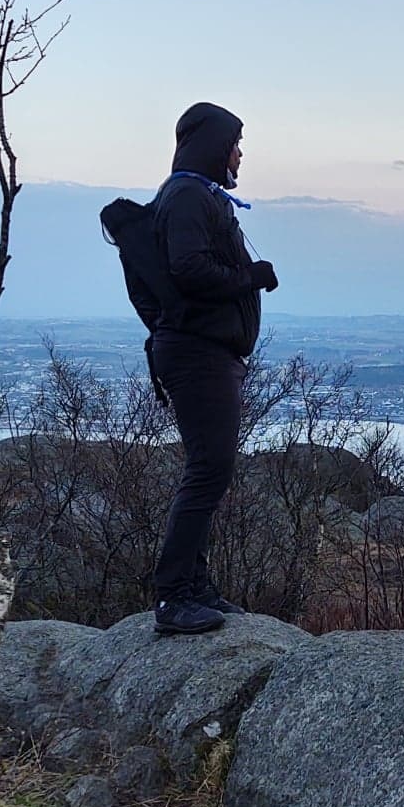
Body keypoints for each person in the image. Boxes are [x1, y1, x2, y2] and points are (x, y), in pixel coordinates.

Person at [135, 101, 279, 635]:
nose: (240, 154)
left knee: (209, 471)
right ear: (214, 146)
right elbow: (189, 268)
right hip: (196, 354)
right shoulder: (190, 194)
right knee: (208, 472)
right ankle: (174, 597)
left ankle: (196, 587)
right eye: (235, 143)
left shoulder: (195, 194)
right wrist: (251, 277)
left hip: (206, 353)